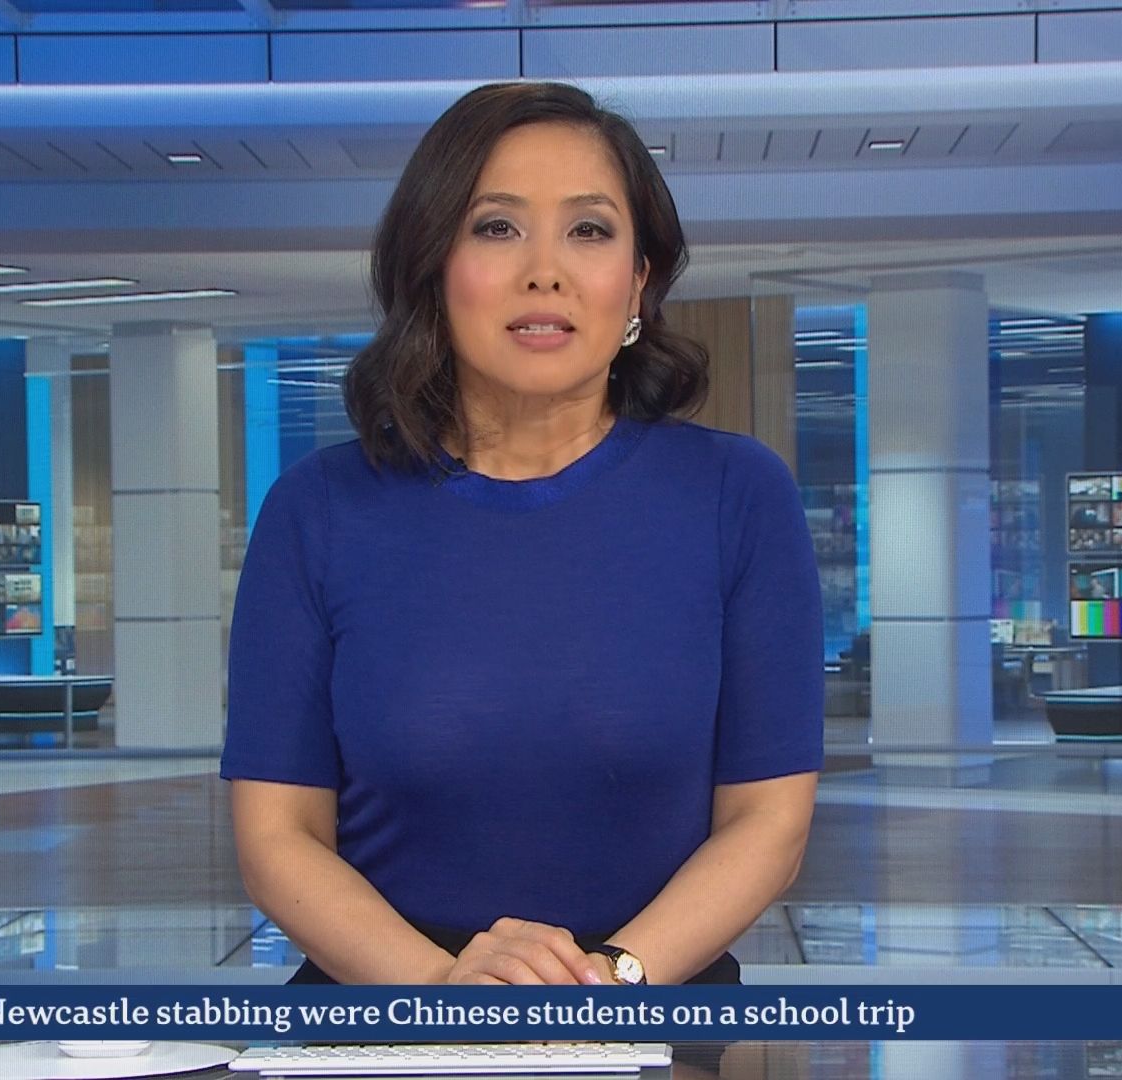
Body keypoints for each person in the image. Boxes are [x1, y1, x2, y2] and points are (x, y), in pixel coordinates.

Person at [220, 81, 823, 988]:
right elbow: (278, 836)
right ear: (432, 263)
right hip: (385, 1012)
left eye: (589, 230)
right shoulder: (318, 510)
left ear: (639, 279)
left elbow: (767, 823)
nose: (546, 270)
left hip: (645, 1004)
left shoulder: (737, 495)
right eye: (497, 227)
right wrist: (444, 993)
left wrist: (605, 985)